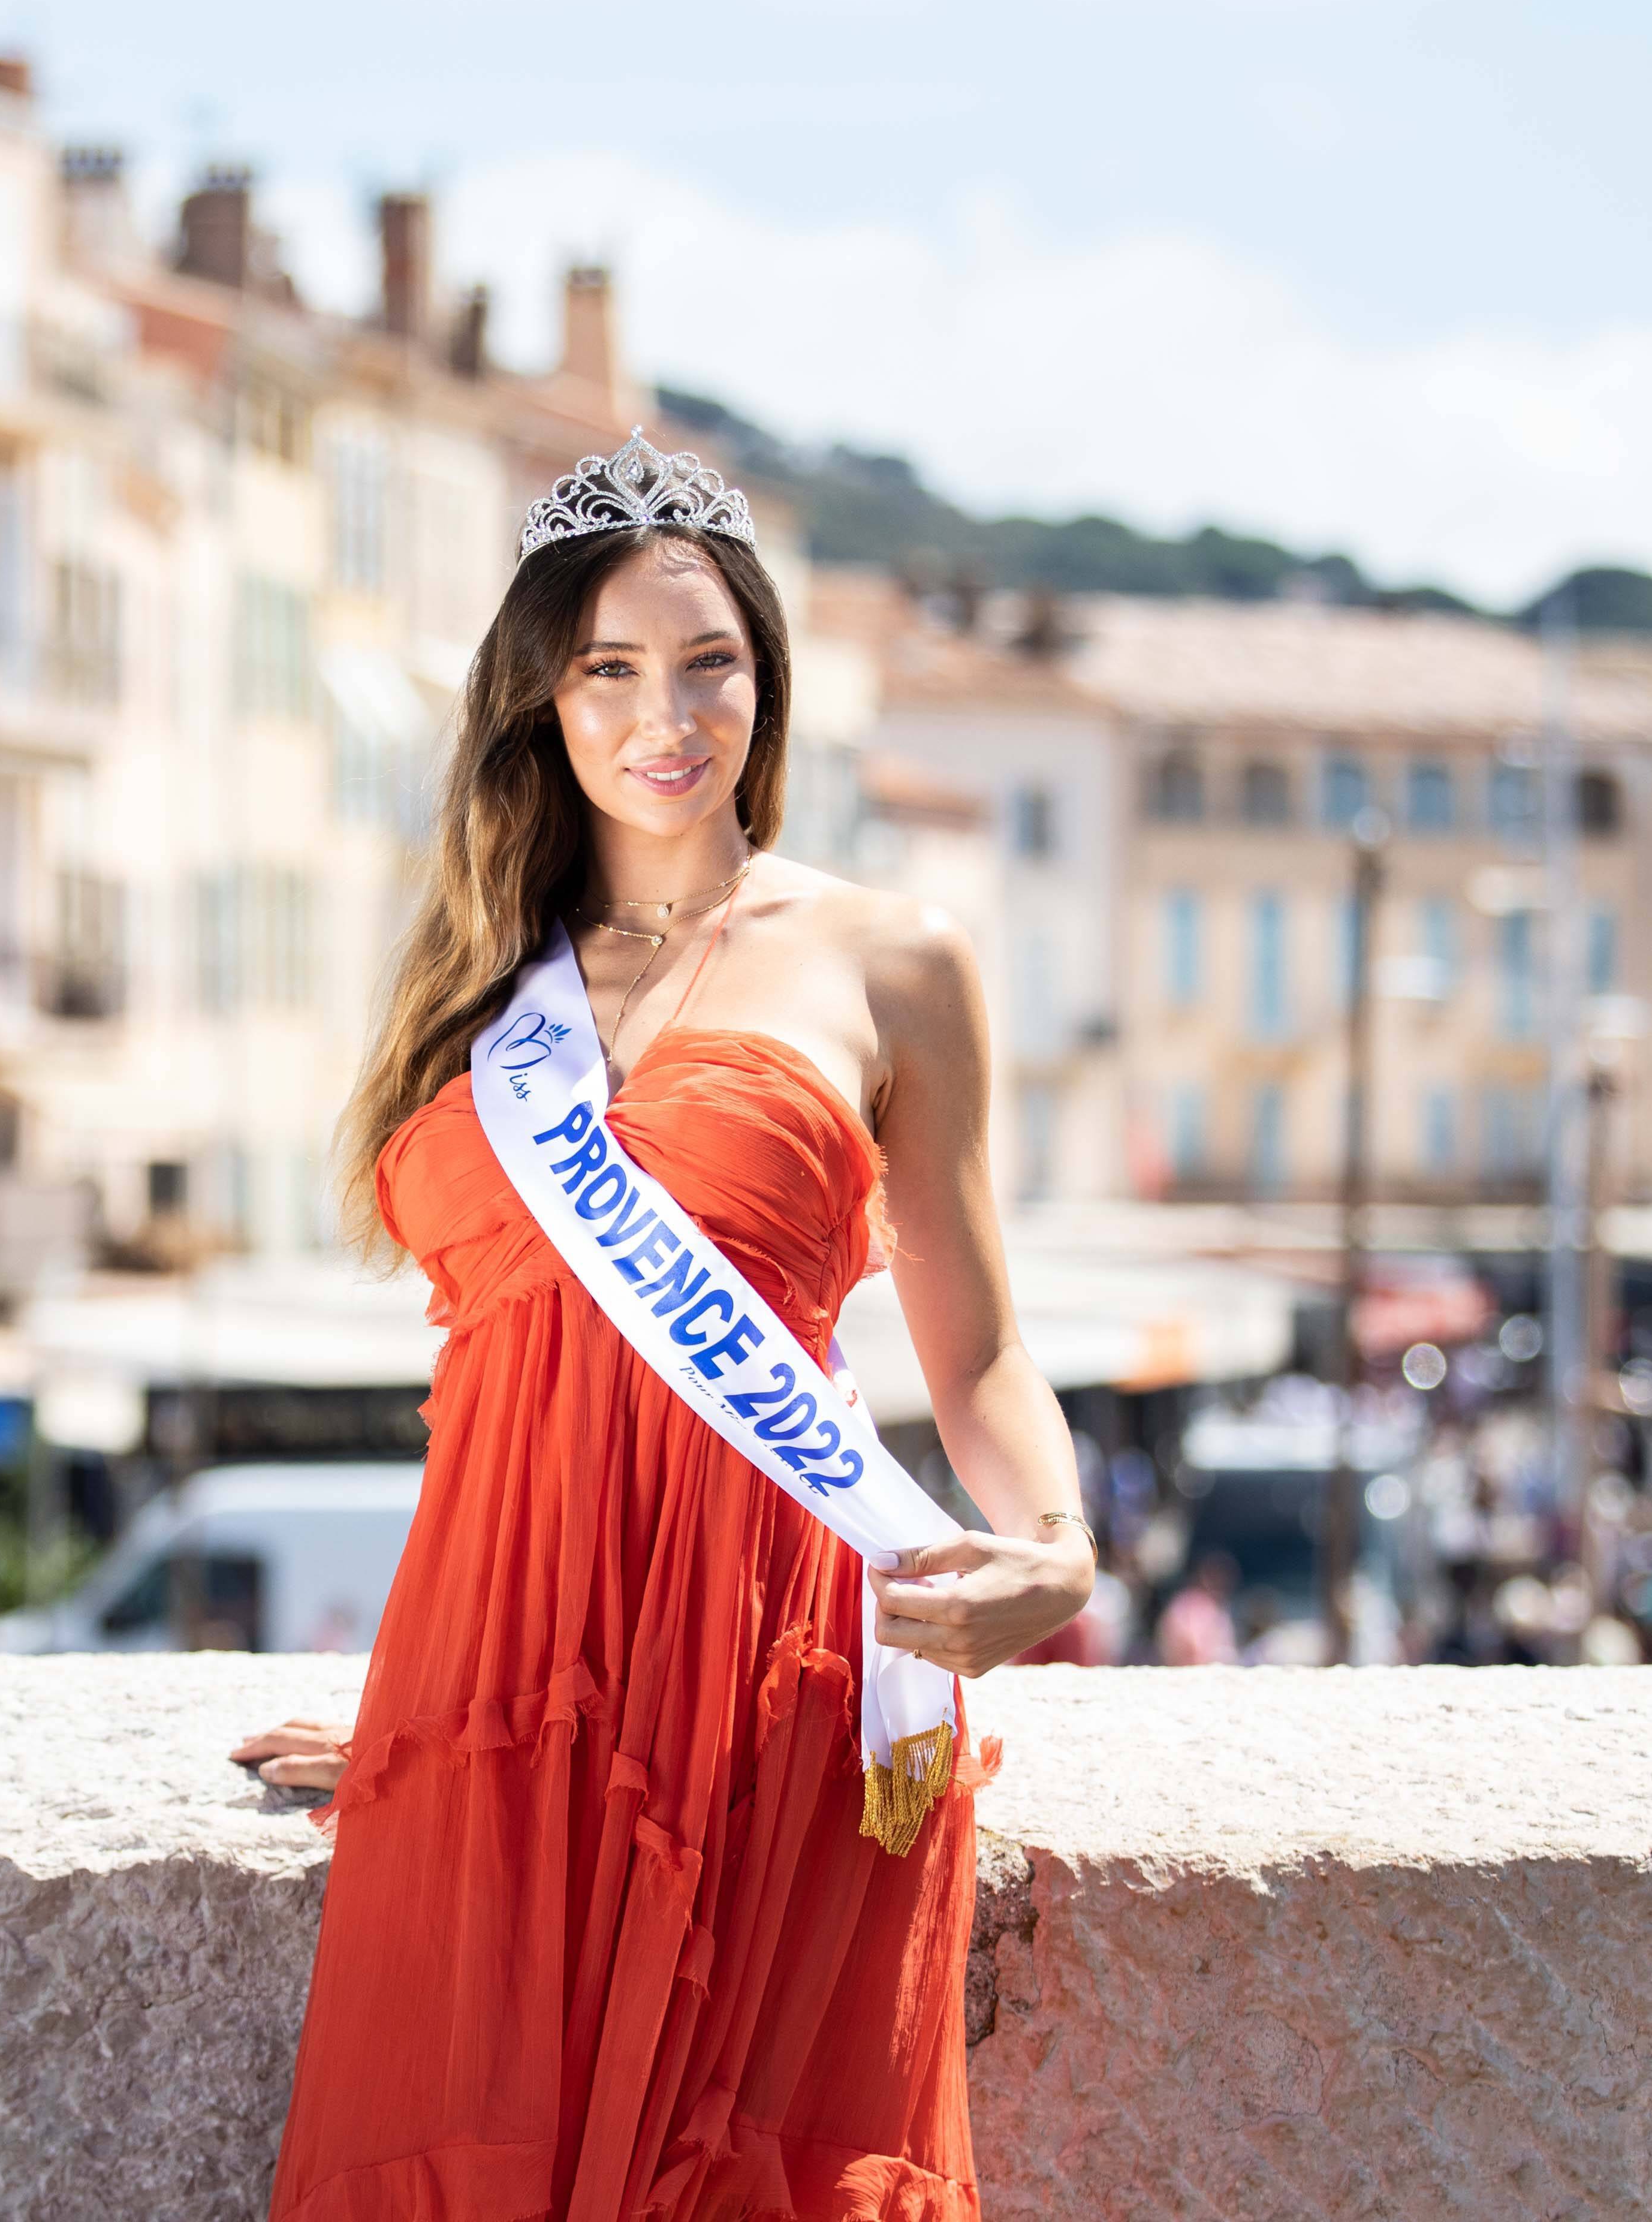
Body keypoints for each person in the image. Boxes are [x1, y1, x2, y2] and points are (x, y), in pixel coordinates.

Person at [236, 435, 1092, 2220]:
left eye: (708, 660)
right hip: (497, 1693)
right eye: (607, 669)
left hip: (770, 1678)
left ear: (768, 679)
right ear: (543, 702)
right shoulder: (480, 979)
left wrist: (1058, 1554)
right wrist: (420, 1720)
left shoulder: (891, 960)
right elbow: (499, 1361)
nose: (663, 714)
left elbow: (980, 1351)